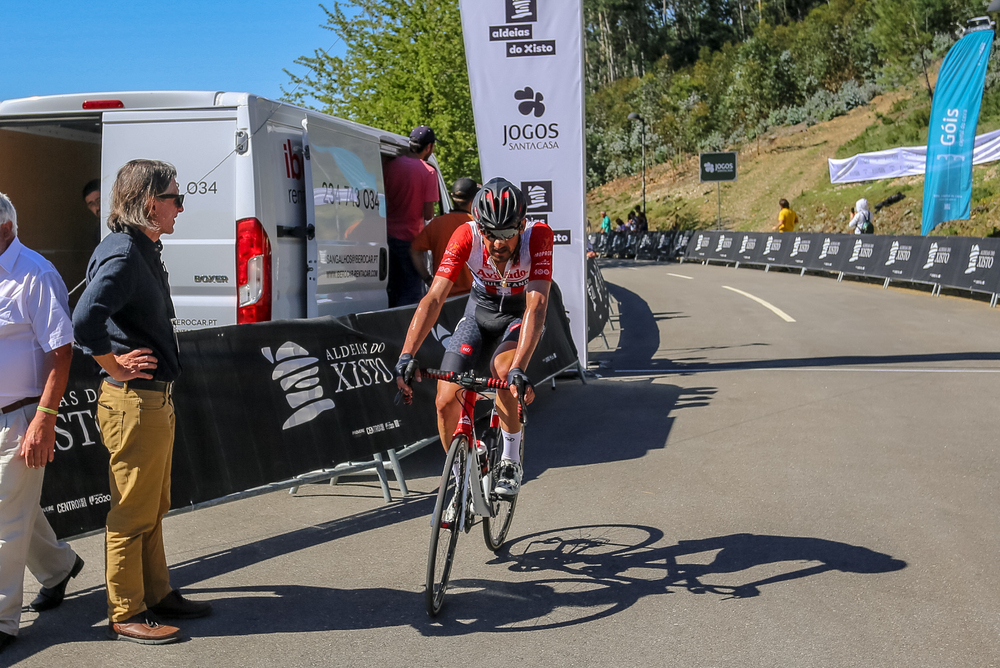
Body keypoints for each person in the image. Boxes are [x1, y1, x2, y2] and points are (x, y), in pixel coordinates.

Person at [73, 159, 211, 646]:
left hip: (151, 401)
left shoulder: (141, 247)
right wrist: (114, 366)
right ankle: (126, 611)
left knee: (153, 505)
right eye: (176, 198)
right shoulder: (124, 253)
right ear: (151, 203)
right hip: (133, 403)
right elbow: (85, 318)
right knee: (132, 512)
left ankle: (158, 593)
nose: (181, 207)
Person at [394, 178, 553, 502]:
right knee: (443, 400)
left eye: (507, 233)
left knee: (505, 373)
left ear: (521, 225)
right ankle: (461, 476)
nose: (498, 243)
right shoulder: (465, 235)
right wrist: (407, 354)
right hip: (479, 312)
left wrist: (520, 369)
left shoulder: (538, 236)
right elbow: (434, 299)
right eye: (490, 234)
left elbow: (537, 304)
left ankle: (510, 459)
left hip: (517, 313)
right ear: (478, 227)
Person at [0, 193, 85, 654]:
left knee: (2, 519)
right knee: (15, 511)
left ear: (6, 227)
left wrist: (44, 422)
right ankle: (58, 567)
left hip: (22, 415)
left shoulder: (35, 274)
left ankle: (1, 620)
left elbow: (61, 353)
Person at [384, 125, 440, 307]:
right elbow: (428, 213)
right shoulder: (428, 172)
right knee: (412, 293)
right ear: (429, 147)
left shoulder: (390, 165)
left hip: (384, 237)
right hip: (410, 240)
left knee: (390, 289)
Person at [410, 177, 477, 297]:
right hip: (472, 296)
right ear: (473, 201)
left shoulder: (437, 224)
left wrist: (428, 279)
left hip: (443, 297)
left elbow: (415, 251)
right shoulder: (477, 225)